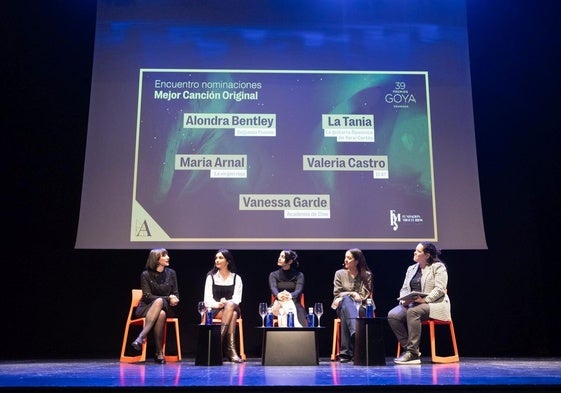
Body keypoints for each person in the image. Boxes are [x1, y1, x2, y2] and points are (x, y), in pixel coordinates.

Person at [387, 242, 451, 365]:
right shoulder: (411, 269)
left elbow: (440, 289)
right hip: (413, 304)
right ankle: (411, 351)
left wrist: (425, 300)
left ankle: (412, 352)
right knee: (393, 315)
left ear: (427, 255)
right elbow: (404, 288)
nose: (414, 252)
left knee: (413, 312)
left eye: (418, 251)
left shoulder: (438, 267)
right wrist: (404, 300)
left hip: (435, 304)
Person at [131, 248, 180, 364]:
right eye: (164, 255)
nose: (168, 257)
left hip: (167, 307)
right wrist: (168, 298)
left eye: (167, 255)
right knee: (160, 311)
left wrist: (175, 299)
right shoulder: (145, 275)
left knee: (161, 306)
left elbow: (176, 293)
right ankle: (158, 353)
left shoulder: (171, 273)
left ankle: (141, 337)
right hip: (146, 308)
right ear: (156, 259)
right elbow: (147, 296)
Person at [331, 248, 374, 363]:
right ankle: (356, 338)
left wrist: (354, 296)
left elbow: (364, 295)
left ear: (357, 261)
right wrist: (352, 294)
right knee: (346, 301)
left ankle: (345, 353)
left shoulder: (367, 275)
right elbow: (337, 293)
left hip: (362, 306)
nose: (346, 260)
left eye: (349, 258)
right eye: (345, 257)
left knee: (347, 314)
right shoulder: (339, 274)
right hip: (342, 304)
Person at [203, 249, 244, 363]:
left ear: (228, 261)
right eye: (216, 258)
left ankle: (217, 344)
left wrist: (226, 303)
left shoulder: (236, 278)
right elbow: (207, 300)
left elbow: (237, 299)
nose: (217, 260)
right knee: (233, 314)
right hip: (216, 310)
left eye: (220, 258)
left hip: (231, 306)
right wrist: (218, 304)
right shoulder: (211, 277)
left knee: (231, 306)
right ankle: (230, 350)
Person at [269, 249, 306, 327]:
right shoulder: (273, 275)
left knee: (300, 314)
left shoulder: (299, 275)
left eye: (282, 257)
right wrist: (279, 295)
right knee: (269, 314)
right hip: (278, 302)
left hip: (294, 302)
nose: (279, 258)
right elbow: (273, 288)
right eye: (279, 256)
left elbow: (299, 290)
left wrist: (290, 295)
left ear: (289, 261)